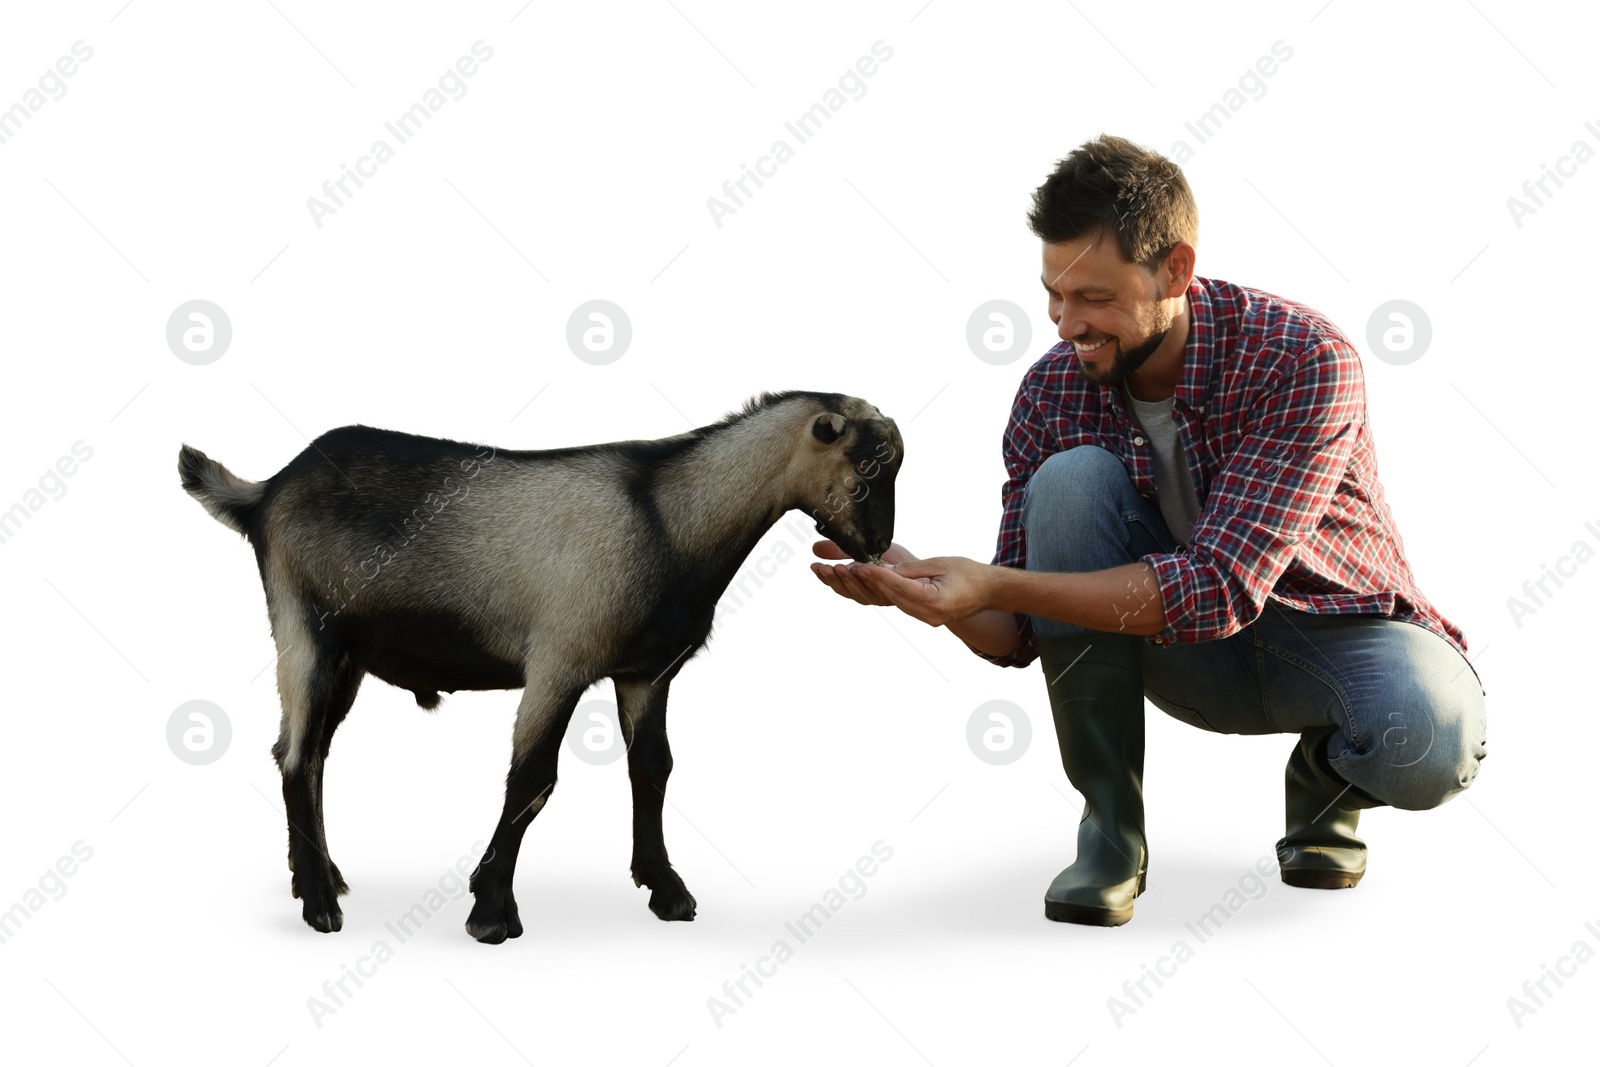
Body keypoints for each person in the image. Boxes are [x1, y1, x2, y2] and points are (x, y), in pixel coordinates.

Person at [811, 133, 1487, 927]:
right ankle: (1110, 834)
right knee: (1068, 481)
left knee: (1432, 741)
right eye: (1053, 295)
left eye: (1094, 297)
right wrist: (928, 590)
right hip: (1181, 654)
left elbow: (1220, 587)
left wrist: (994, 582)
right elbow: (1022, 628)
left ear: (1176, 268)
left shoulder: (1302, 356)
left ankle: (1325, 782)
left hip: (1329, 633)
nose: (1068, 324)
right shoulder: (1049, 394)